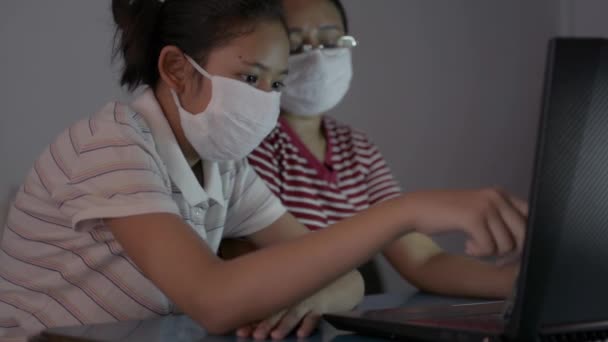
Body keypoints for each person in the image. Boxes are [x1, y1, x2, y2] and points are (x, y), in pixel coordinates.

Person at [0, 0, 526, 341]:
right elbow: (213, 299)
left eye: (275, 84)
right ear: (178, 70)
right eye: (250, 76)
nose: (266, 101)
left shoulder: (223, 167)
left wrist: (309, 297)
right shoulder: (110, 145)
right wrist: (404, 212)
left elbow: (346, 281)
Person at [248, 0, 523, 299]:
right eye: (295, 44)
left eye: (330, 42)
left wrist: (523, 285)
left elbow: (423, 259)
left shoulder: (356, 147)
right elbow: (270, 265)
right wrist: (410, 211)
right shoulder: (251, 143)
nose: (317, 58)